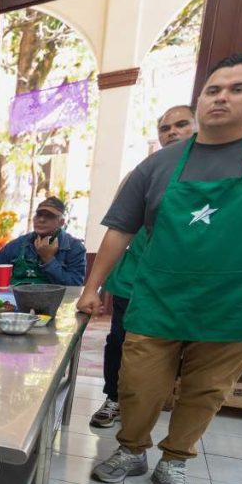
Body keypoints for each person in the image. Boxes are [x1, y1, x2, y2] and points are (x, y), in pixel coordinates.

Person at [80, 53, 242, 484]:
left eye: (237, 89)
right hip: (160, 299)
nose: (222, 97)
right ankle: (131, 451)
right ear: (201, 98)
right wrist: (93, 287)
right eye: (213, 89)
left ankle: (175, 459)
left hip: (235, 305)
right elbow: (121, 229)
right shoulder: (159, 165)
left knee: (206, 391)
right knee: (138, 384)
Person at [89, 105, 197, 428]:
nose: (172, 132)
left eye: (181, 125)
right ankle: (113, 398)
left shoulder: (216, 171)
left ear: (197, 127)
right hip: (134, 279)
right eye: (165, 128)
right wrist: (94, 286)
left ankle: (155, 402)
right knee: (119, 341)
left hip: (183, 284)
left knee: (171, 350)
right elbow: (120, 229)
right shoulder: (144, 172)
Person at [0, 196, 86, 286]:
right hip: (16, 301)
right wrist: (0, 294)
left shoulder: (74, 248)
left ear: (61, 222)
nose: (41, 220)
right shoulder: (19, 244)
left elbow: (75, 285)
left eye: (49, 216)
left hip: (55, 304)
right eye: (39, 215)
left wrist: (48, 259)